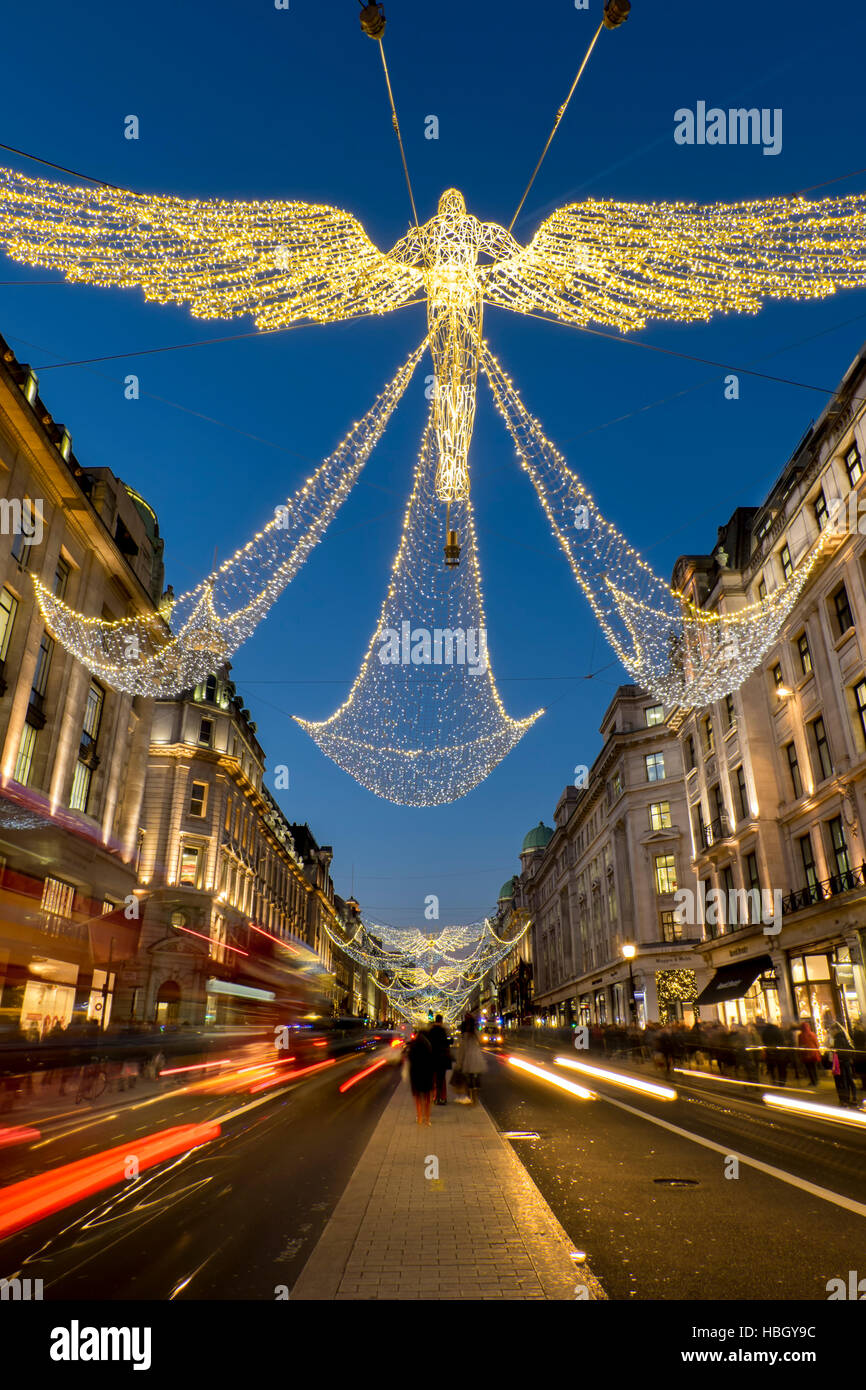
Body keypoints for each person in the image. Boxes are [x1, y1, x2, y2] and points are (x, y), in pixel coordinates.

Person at [823, 1011, 859, 1108]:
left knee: (842, 1080)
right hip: (845, 1061)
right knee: (848, 1080)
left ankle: (845, 1099)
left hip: (840, 1062)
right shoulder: (843, 1037)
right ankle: (852, 1098)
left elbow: (832, 1049)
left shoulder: (836, 1039)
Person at [455, 1015, 487, 1105]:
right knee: (476, 1079)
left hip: (468, 1060)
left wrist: (459, 1064)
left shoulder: (465, 1036)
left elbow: (462, 1050)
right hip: (477, 1059)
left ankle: (471, 1097)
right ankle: (475, 1097)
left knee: (469, 1079)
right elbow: (481, 1041)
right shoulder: (476, 1034)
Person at [407, 1029, 435, 1125]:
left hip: (416, 1073)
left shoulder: (413, 1045)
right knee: (427, 1098)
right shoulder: (429, 1046)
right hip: (427, 1073)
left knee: (418, 1097)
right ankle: (427, 1119)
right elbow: (432, 1061)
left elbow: (409, 1058)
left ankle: (419, 1117)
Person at [427, 1014, 451, 1105]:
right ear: (441, 1021)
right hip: (442, 1058)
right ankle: (442, 1097)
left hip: (433, 1058)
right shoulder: (442, 1031)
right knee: (442, 1079)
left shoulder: (431, 1031)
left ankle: (435, 1097)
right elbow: (445, 1043)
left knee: (434, 1078)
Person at [797, 1016, 821, 1087]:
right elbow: (816, 1043)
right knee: (814, 1067)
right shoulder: (812, 1034)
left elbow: (800, 1045)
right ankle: (816, 1080)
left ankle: (813, 1081)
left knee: (809, 1068)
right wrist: (818, 1051)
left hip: (806, 1054)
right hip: (813, 1053)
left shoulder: (800, 1035)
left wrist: (800, 1054)